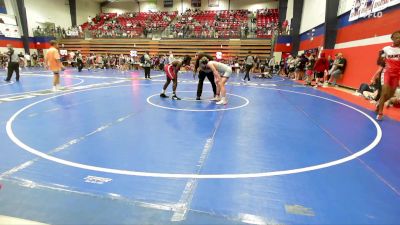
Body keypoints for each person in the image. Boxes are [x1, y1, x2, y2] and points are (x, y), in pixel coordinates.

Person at [371, 30, 400, 120]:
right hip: (387, 73)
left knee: (390, 95)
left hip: (397, 75)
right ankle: (380, 113)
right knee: (384, 93)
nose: (398, 39)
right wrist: (380, 57)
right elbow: (379, 62)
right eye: (396, 37)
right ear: (392, 38)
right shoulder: (386, 49)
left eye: (399, 38)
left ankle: (379, 103)